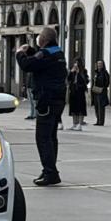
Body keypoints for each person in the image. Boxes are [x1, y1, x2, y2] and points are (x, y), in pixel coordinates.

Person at [16, 26, 68, 186]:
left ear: (44, 39)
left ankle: (50, 172)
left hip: (46, 100)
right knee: (51, 137)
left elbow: (27, 65)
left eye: (39, 36)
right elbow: (40, 60)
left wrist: (19, 53)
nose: (38, 38)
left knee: (43, 137)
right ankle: (50, 169)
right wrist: (32, 51)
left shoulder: (46, 54)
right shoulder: (58, 53)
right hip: (58, 99)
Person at [66, 58, 89, 131]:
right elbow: (68, 79)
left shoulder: (84, 71)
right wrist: (71, 72)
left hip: (80, 91)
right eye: (75, 62)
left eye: (77, 62)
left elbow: (85, 81)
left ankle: (80, 124)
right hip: (73, 91)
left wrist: (79, 73)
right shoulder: (72, 71)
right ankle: (74, 123)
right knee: (73, 108)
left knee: (80, 107)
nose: (76, 64)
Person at [92, 60, 110, 126]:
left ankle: (101, 121)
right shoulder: (96, 73)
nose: (99, 65)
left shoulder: (105, 73)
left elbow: (107, 82)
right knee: (96, 106)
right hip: (95, 91)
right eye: (98, 64)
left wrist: (103, 87)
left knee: (101, 107)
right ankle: (98, 120)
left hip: (102, 92)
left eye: (100, 64)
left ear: (103, 65)